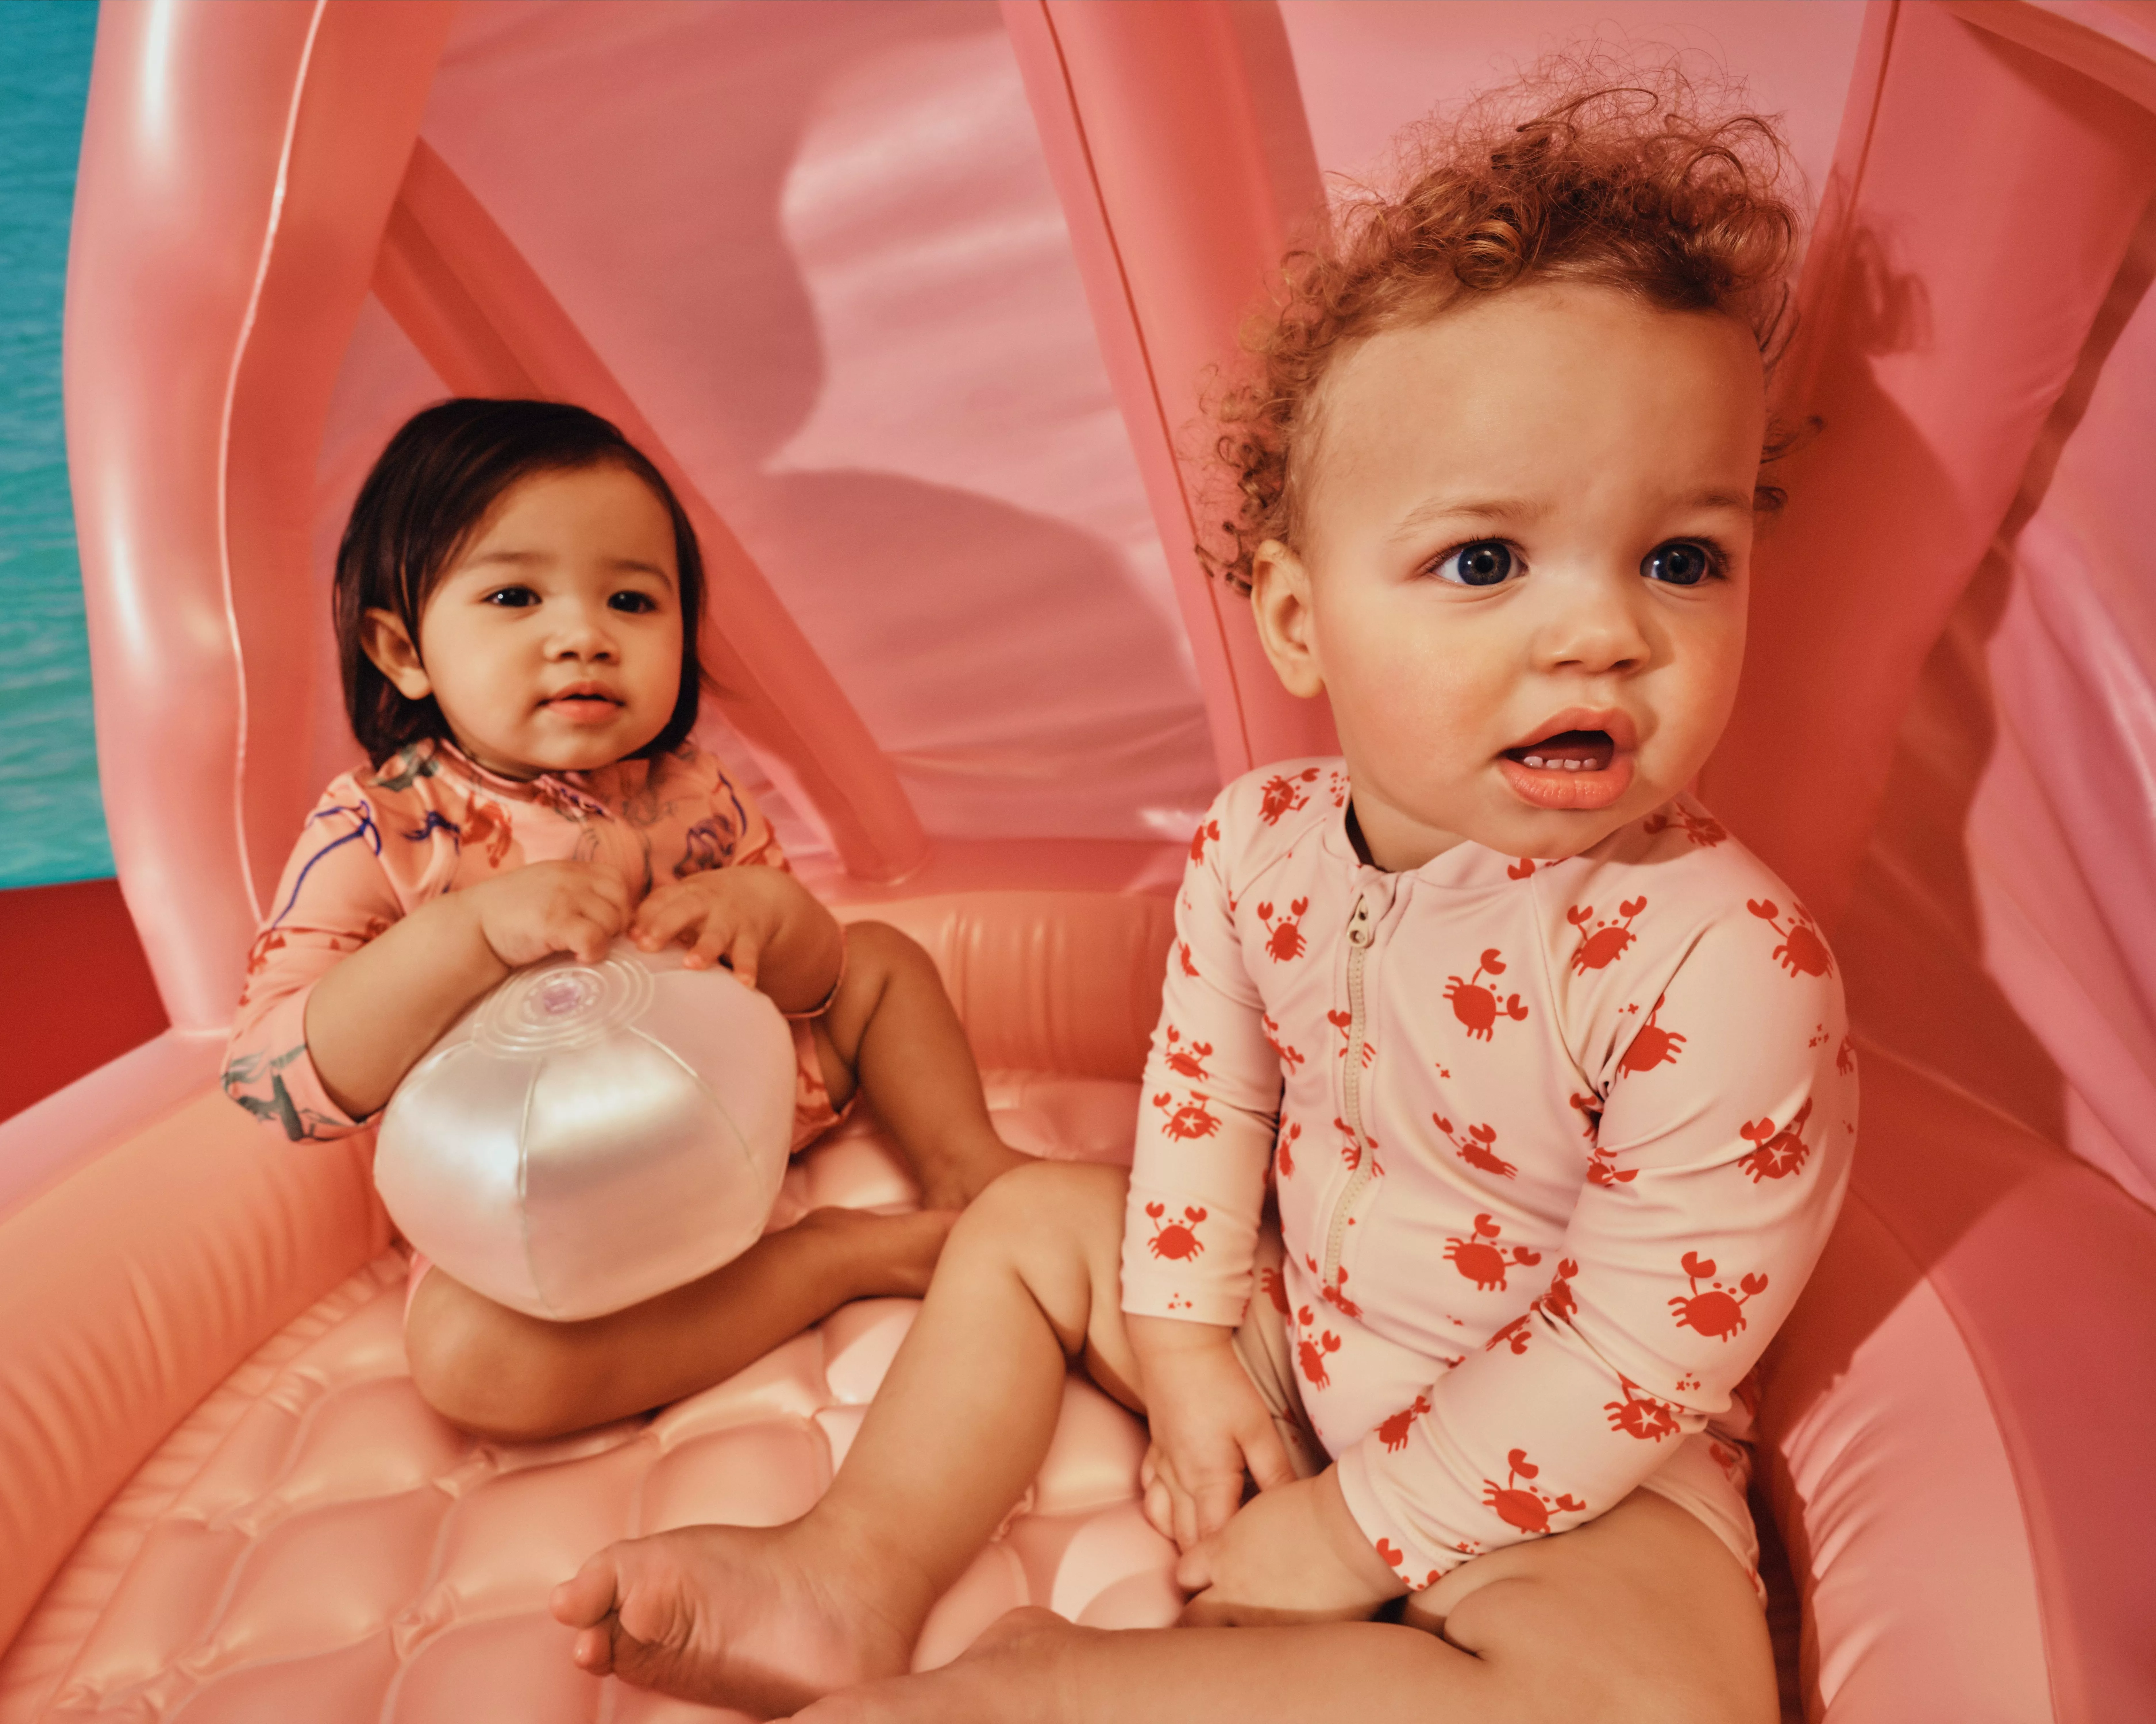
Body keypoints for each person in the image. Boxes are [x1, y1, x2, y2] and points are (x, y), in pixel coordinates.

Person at [549, 71, 1854, 1724]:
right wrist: (1180, 1346)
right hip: (1286, 1329)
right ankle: (845, 1574)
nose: (1602, 634)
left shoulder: (1725, 960)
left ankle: (1054, 1688)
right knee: (1029, 1223)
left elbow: (1646, 1346)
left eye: (1683, 557)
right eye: (1485, 564)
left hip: (1563, 1474)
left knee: (1662, 1699)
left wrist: (1354, 1530)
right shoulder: (1262, 844)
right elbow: (1206, 1086)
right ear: (1300, 624)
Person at [220, 398, 1026, 1442]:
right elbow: (267, 1085)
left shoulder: (692, 788)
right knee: (474, 1366)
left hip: (750, 1117)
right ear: (401, 649)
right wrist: (464, 937)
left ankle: (969, 1162)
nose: (583, 637)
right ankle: (830, 1261)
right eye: (516, 594)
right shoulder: (380, 829)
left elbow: (815, 981)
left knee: (883, 960)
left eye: (633, 602)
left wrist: (766, 916)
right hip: (550, 1201)